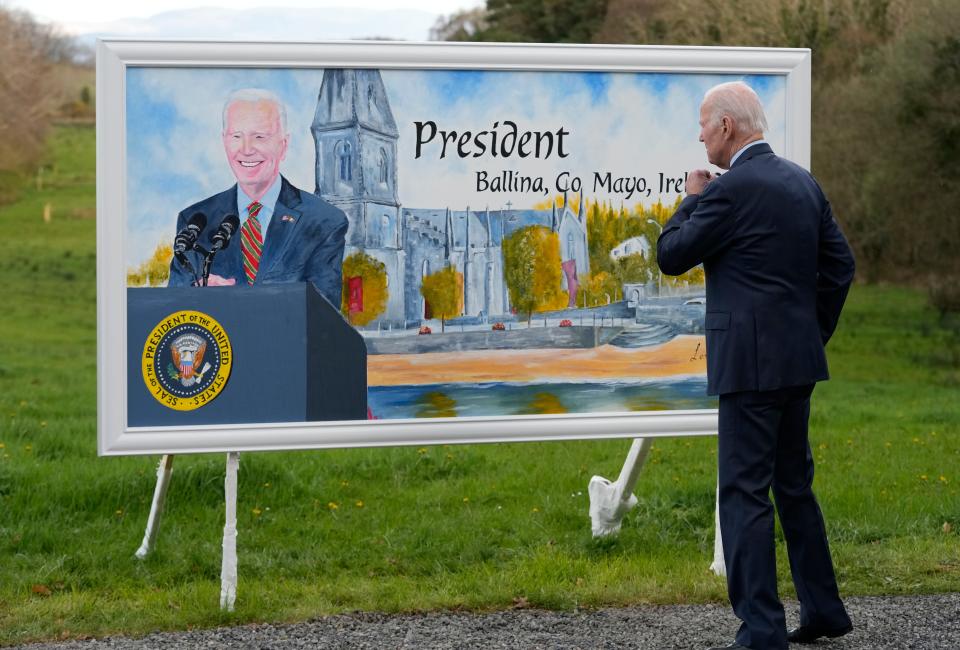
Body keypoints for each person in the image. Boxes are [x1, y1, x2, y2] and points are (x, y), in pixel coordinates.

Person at [657, 81, 855, 650]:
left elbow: (671, 255)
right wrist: (811, 333)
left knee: (744, 494)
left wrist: (691, 197)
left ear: (726, 127)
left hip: (747, 367)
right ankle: (823, 612)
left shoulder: (727, 192)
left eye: (702, 124)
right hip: (797, 364)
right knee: (794, 487)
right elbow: (841, 268)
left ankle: (762, 629)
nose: (698, 136)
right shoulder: (803, 183)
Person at [168, 88, 348, 308]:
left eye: (259, 137)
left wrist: (235, 299)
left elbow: (323, 316)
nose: (246, 149)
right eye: (236, 137)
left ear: (283, 145)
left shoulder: (323, 222)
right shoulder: (195, 222)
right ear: (224, 142)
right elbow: (175, 314)